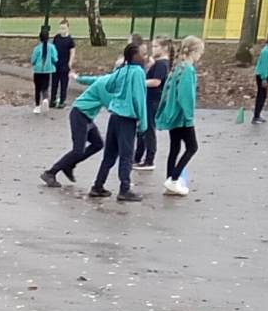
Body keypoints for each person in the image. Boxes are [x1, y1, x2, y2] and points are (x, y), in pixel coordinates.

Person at [87, 42, 147, 201]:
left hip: (114, 117)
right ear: (134, 56)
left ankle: (98, 185)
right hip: (127, 119)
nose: (144, 57)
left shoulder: (121, 70)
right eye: (142, 54)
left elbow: (109, 85)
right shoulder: (138, 72)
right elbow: (139, 98)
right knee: (126, 155)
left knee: (110, 154)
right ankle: (124, 189)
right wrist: (143, 122)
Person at [40, 59, 112, 188]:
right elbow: (110, 105)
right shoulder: (107, 84)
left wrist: (78, 78)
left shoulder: (107, 79)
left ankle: (69, 165)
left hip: (86, 116)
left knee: (98, 144)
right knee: (78, 150)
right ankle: (50, 172)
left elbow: (91, 80)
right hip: (80, 114)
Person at [157, 36, 201, 195]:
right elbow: (186, 95)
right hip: (182, 117)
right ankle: (173, 179)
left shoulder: (177, 67)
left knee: (174, 148)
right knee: (192, 147)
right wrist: (189, 116)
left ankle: (170, 181)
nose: (200, 56)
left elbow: (167, 92)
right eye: (199, 53)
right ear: (194, 52)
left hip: (173, 114)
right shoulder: (188, 69)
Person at [134, 36, 172, 169]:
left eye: (156, 46)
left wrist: (139, 82)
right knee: (144, 128)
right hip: (150, 99)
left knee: (149, 129)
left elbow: (156, 82)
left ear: (165, 48)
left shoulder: (162, 64)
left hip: (153, 100)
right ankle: (138, 156)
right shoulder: (158, 63)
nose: (153, 49)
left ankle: (149, 160)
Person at [30, 27, 58, 114]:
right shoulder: (52, 47)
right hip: (48, 70)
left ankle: (37, 106)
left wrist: (35, 64)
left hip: (38, 70)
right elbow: (55, 59)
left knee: (37, 88)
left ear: (40, 38)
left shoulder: (37, 48)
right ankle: (45, 98)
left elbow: (33, 60)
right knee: (45, 86)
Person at [50, 19, 76, 109]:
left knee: (63, 84)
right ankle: (52, 100)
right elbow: (53, 49)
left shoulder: (70, 40)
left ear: (68, 28)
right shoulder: (56, 38)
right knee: (54, 83)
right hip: (56, 64)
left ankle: (62, 101)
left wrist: (70, 63)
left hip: (65, 64)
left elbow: (72, 52)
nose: (62, 30)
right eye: (61, 28)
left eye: (64, 28)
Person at [252, 29, 268, 123]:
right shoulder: (266, 51)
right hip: (262, 75)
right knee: (261, 95)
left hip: (266, 75)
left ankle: (258, 115)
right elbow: (263, 66)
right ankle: (256, 116)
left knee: (264, 95)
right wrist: (264, 79)